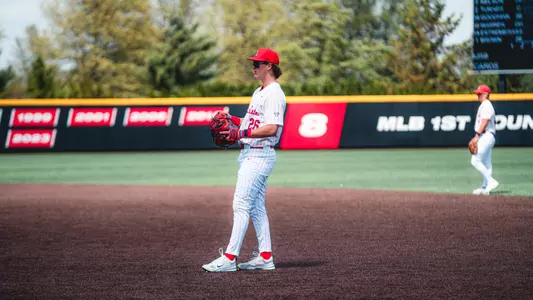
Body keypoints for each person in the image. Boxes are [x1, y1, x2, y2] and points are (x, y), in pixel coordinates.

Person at [202, 48, 286, 272]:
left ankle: (230, 258)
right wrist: (233, 119)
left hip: (259, 154)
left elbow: (271, 128)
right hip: (251, 154)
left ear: (269, 66)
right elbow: (253, 122)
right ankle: (265, 257)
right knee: (257, 208)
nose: (254, 66)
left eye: (258, 63)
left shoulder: (275, 93)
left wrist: (239, 134)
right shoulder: (259, 91)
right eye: (254, 63)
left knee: (240, 204)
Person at [471, 84, 499, 195]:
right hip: (486, 136)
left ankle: (490, 181)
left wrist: (476, 135)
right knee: (486, 163)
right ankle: (485, 187)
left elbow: (485, 121)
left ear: (486, 94)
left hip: (486, 135)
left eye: (480, 93)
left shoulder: (487, 104)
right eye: (477, 93)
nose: (478, 95)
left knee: (475, 160)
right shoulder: (484, 105)